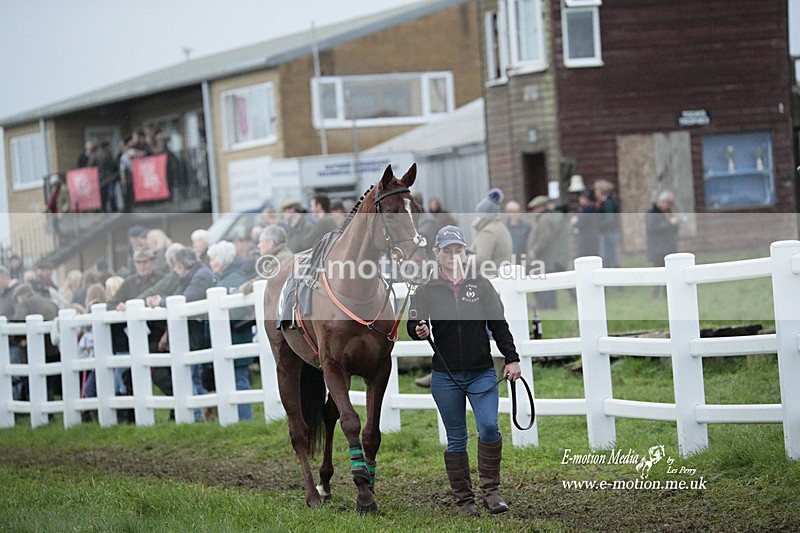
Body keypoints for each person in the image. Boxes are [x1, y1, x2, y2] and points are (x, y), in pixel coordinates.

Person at [406, 225, 521, 516]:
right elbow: (413, 323)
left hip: (481, 371)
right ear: (437, 253)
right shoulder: (426, 289)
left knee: (489, 427)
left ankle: (491, 492)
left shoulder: (480, 285)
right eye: (447, 250)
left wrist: (511, 358)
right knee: (456, 438)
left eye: (458, 250)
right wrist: (418, 329)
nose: (453, 255)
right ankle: (464, 500)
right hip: (445, 376)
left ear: (464, 252)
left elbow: (499, 324)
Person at [147, 246, 215, 421]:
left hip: (199, 334)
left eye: (176, 266)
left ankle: (199, 416)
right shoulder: (192, 276)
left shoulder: (200, 276)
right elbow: (179, 296)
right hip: (193, 334)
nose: (175, 271)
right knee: (193, 375)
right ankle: (199, 415)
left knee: (196, 375)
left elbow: (186, 299)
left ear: (183, 264)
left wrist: (160, 301)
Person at [207, 240, 255, 421]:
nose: (210, 263)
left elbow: (239, 310)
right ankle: (237, 420)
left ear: (222, 260)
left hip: (236, 338)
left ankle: (245, 419)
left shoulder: (234, 279)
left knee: (239, 381)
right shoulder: (223, 279)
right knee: (233, 382)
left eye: (213, 259)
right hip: (229, 338)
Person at [526, 196, 569, 310]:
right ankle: (546, 305)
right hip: (546, 258)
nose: (533, 211)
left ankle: (547, 306)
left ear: (541, 207)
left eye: (535, 208)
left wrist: (535, 250)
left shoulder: (544, 219)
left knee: (545, 283)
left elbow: (545, 238)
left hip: (544, 257)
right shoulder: (546, 218)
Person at [646, 190, 682, 297]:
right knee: (658, 272)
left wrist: (676, 223)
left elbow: (673, 229)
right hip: (657, 248)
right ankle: (655, 295)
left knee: (669, 272)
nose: (668, 206)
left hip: (668, 247)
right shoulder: (652, 213)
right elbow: (652, 228)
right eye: (667, 203)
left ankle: (667, 295)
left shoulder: (669, 212)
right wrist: (669, 223)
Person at [469, 188, 513, 277]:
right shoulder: (500, 227)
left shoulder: (487, 232)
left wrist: (460, 260)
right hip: (501, 278)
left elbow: (481, 259)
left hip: (489, 280)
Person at [594, 179, 621, 268]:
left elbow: (610, 219)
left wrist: (599, 225)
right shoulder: (604, 201)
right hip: (610, 231)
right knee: (610, 253)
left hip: (609, 231)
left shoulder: (607, 202)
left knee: (610, 253)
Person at [571, 190, 601, 258]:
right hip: (594, 236)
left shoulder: (586, 210)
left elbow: (579, 223)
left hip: (585, 238)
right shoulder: (594, 208)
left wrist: (574, 221)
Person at [503, 200, 531, 265]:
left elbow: (531, 242)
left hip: (523, 260)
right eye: (512, 211)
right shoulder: (504, 228)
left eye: (517, 211)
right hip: (508, 261)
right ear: (507, 213)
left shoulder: (526, 226)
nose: (515, 213)